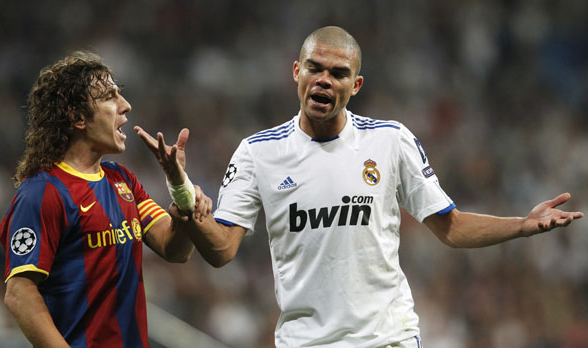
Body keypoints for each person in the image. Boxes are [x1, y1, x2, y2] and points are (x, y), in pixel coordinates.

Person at [138, 26, 583, 348]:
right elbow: (221, 252)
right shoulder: (258, 152)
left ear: (356, 84)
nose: (324, 79)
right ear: (296, 72)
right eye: (315, 67)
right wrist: (185, 199)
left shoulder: (390, 140)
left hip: (386, 338)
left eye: (338, 72)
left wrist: (522, 226)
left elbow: (451, 227)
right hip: (305, 342)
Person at [0, 51, 211, 348]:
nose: (126, 106)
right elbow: (19, 294)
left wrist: (181, 189)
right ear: (77, 116)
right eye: (111, 97)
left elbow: (174, 249)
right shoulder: (43, 192)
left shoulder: (122, 180)